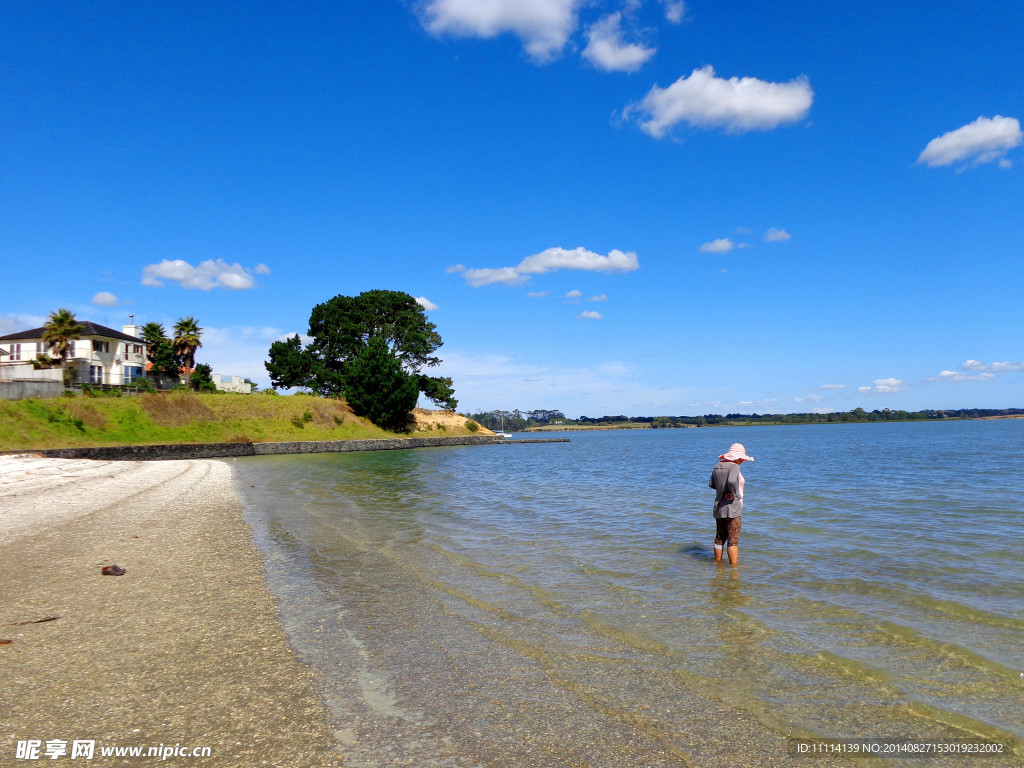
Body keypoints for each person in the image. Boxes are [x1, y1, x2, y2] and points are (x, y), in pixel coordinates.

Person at [708, 443, 754, 565]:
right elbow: (731, 481)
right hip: (733, 508)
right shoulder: (734, 467)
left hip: (719, 507)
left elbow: (711, 484)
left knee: (719, 537)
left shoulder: (717, 466)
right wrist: (733, 494)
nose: (743, 461)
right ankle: (734, 568)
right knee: (733, 540)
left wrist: (722, 492)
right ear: (738, 457)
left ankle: (717, 563)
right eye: (742, 459)